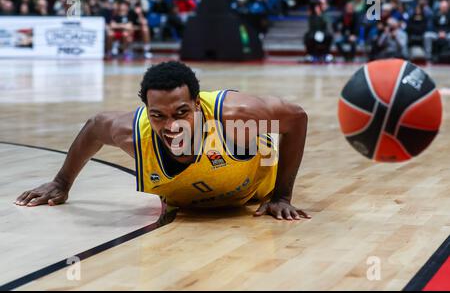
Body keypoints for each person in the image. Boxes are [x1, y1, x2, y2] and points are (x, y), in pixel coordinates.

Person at [14, 61, 310, 221]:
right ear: (146, 110)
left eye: (181, 112)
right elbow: (94, 126)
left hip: (257, 189)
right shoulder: (132, 132)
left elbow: (296, 118)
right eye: (158, 115)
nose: (171, 126)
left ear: (196, 103)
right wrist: (62, 181)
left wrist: (282, 196)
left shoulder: (236, 116)